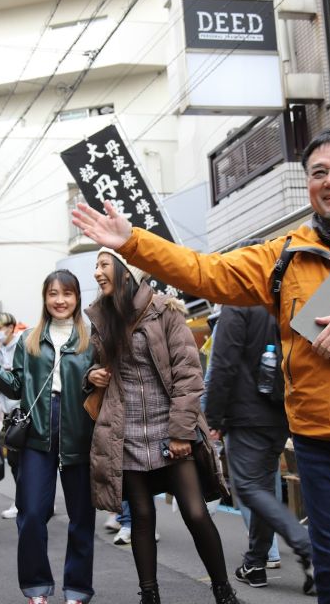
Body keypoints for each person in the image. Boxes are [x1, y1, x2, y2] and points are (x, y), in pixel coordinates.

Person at [71, 127, 330, 604]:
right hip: (323, 448)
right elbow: (207, 273)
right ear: (307, 183)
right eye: (318, 173)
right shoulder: (282, 254)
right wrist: (134, 243)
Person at [85, 248, 239, 604]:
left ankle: (223, 592)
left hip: (170, 429)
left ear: (126, 271)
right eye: (95, 265)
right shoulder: (102, 319)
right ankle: (150, 596)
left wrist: (181, 432)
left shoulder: (165, 311)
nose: (96, 272)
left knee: (195, 512)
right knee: (140, 515)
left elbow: (189, 375)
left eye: (103, 264)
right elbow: (92, 370)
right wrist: (91, 376)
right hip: (126, 431)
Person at [0, 270, 96, 604]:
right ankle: (36, 586)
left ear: (77, 299)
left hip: (80, 433)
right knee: (31, 512)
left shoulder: (91, 339)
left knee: (81, 516)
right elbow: (16, 387)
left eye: (68, 294)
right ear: (44, 298)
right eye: (53, 294)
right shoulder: (29, 339)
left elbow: (100, 388)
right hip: (37, 433)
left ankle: (77, 588)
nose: (60, 300)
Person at [204, 293, 314, 594]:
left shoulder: (237, 303)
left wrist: (212, 416)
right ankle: (254, 563)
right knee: (263, 490)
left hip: (245, 413)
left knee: (248, 488)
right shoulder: (280, 298)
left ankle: (308, 548)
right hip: (280, 411)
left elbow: (223, 362)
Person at [0, 312, 21, 519]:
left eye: (0, 328)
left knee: (25, 460)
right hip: (7, 413)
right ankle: (25, 500)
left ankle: (25, 501)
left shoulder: (22, 346)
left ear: (11, 327)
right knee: (14, 459)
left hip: (24, 411)